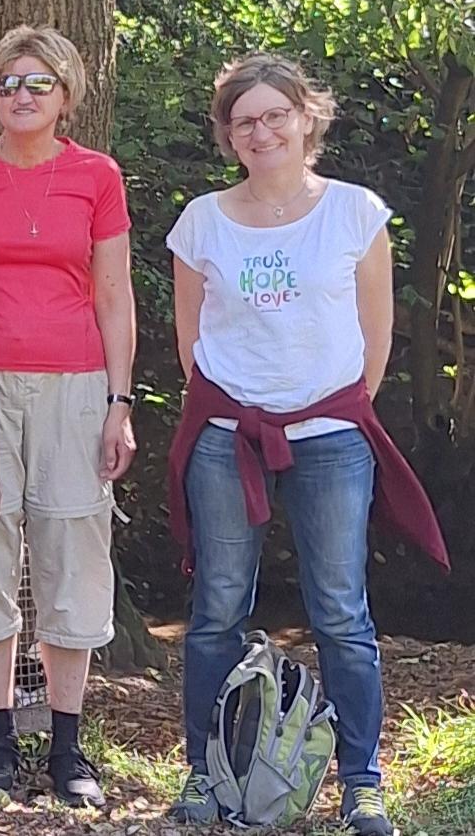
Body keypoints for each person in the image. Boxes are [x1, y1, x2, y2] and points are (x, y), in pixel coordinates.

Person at [163, 55, 444, 836]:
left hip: (331, 437)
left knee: (341, 612)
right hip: (228, 439)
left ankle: (363, 784)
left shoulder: (357, 213)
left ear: (306, 118)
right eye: (244, 120)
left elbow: (376, 333)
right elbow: (191, 345)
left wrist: (332, 406)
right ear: (228, 135)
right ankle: (205, 776)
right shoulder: (202, 221)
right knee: (217, 611)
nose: (261, 131)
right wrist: (238, 406)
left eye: (274, 115)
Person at [0, 25, 135, 806]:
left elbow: (113, 294)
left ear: (66, 95)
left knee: (72, 547)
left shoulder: (96, 176)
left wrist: (119, 400)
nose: (21, 95)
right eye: (8, 82)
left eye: (38, 83)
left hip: (77, 383)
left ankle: (69, 745)